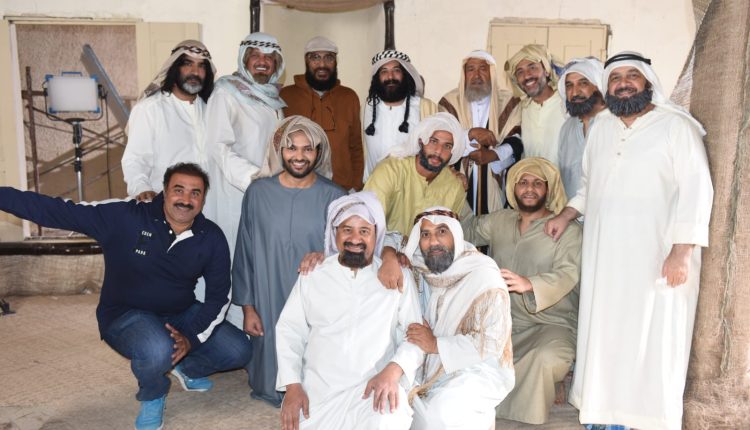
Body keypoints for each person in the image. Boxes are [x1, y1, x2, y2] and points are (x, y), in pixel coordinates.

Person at [0, 163, 252, 430]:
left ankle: (186, 366)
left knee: (239, 350)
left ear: (203, 198)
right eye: (178, 190)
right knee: (157, 349)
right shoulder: (125, 216)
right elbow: (57, 210)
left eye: (195, 193)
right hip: (126, 315)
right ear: (164, 191)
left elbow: (219, 296)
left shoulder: (210, 236)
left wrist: (190, 338)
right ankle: (153, 394)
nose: (186, 200)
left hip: (179, 312)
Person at [545, 51, 714, 430]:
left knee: (652, 339)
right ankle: (604, 415)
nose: (623, 83)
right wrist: (566, 214)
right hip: (606, 258)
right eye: (616, 77)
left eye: (631, 76)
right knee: (607, 333)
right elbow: (590, 184)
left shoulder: (676, 127)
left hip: (658, 258)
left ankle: (646, 419)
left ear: (647, 81)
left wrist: (681, 251)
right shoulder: (602, 127)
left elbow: (697, 190)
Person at [276, 192, 424, 430]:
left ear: (376, 235)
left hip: (375, 387)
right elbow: (289, 331)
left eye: (364, 231)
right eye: (347, 230)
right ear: (334, 233)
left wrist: (393, 371)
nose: (355, 238)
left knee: (387, 420)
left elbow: (416, 337)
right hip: (320, 392)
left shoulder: (397, 277)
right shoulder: (313, 274)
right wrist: (293, 386)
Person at [232, 116, 346, 407]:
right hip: (267, 296)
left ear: (318, 152)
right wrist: (248, 308)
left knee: (316, 373)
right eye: (291, 147)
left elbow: (347, 252)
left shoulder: (335, 195)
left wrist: (327, 255)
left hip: (314, 297)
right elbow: (245, 251)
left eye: (307, 148)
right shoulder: (258, 193)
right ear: (279, 150)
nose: (299, 156)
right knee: (269, 369)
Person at [462, 157, 582, 424]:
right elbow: (465, 230)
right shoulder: (501, 220)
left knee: (547, 357)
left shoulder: (568, 230)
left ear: (548, 190)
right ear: (513, 188)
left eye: (538, 183)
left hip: (551, 324)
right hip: (503, 324)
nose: (529, 188)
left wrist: (531, 284)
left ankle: (533, 401)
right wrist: (456, 194)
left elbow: (568, 273)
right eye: (523, 182)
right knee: (470, 355)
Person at [402, 207, 515, 429]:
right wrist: (389, 254)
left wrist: (436, 344)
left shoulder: (484, 275)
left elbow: (492, 342)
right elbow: (390, 239)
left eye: (442, 232)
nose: (433, 241)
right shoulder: (418, 266)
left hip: (477, 367)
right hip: (427, 363)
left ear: (456, 234)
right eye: (425, 234)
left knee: (440, 414)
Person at [203, 32, 285, 327]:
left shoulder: (273, 99)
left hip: (266, 194)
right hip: (233, 194)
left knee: (255, 261)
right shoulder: (226, 92)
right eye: (256, 56)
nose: (262, 62)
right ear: (244, 59)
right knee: (229, 261)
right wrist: (254, 177)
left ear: (277, 63)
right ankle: (221, 331)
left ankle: (248, 329)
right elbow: (218, 146)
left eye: (269, 57)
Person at [122, 40, 216, 202]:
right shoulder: (150, 109)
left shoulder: (212, 109)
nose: (195, 72)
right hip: (165, 205)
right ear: (174, 67)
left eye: (201, 66)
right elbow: (135, 159)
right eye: (188, 64)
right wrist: (142, 188)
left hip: (211, 205)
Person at [439, 50, 523, 213]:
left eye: (483, 69)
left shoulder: (509, 101)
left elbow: (517, 139)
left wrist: (494, 155)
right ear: (464, 74)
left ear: (492, 72)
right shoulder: (449, 102)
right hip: (457, 180)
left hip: (497, 181)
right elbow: (442, 140)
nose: (476, 75)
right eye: (471, 69)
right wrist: (469, 134)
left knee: (494, 225)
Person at [280, 36, 364, 191]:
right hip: (298, 188)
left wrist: (356, 186)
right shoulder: (286, 96)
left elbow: (356, 147)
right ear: (306, 61)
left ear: (336, 62)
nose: (322, 64)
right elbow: (277, 146)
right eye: (315, 58)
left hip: (342, 188)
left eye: (329, 58)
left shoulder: (349, 97)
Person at [362, 49, 438, 181]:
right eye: (384, 71)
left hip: (413, 187)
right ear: (377, 78)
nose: (390, 77)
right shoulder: (365, 108)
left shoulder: (426, 107)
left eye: (396, 70)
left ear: (405, 75)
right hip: (373, 186)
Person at [504, 44, 566, 166]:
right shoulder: (521, 110)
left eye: (532, 67)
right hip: (530, 177)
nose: (526, 75)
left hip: (564, 178)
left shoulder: (566, 104)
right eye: (520, 72)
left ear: (546, 71)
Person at [557, 57, 607, 199]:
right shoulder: (567, 128)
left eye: (583, 83)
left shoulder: (617, 123)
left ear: (598, 85)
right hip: (571, 210)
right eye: (569, 86)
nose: (575, 92)